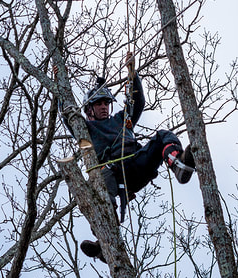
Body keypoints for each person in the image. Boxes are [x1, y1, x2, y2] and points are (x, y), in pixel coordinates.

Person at [64, 55, 195, 262]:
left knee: (162, 136)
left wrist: (133, 75)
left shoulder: (120, 119)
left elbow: (138, 102)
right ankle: (104, 239)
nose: (104, 107)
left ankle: (179, 164)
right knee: (99, 177)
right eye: (98, 104)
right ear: (89, 109)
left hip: (136, 162)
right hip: (115, 174)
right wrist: (62, 96)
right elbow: (69, 119)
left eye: (106, 103)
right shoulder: (86, 130)